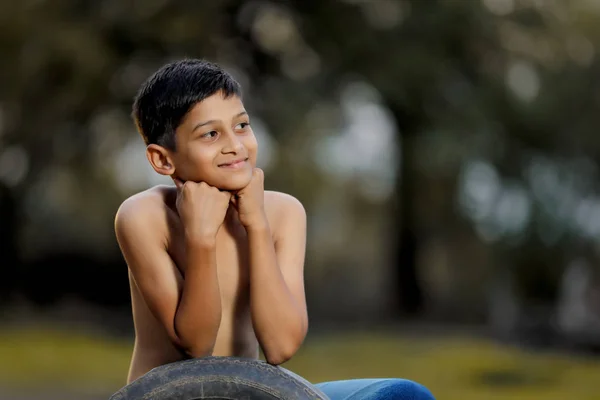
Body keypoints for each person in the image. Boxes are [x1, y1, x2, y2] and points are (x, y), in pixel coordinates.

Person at [114, 58, 435, 400]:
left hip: (254, 393)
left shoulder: (283, 212)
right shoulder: (143, 217)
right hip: (171, 395)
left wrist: (257, 226)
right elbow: (197, 345)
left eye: (241, 126)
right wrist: (200, 237)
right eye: (210, 134)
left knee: (403, 395)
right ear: (163, 160)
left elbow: (281, 347)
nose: (235, 145)